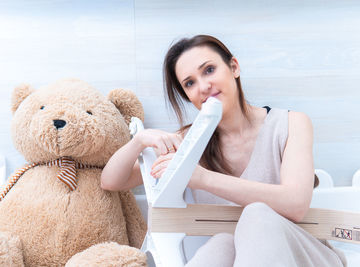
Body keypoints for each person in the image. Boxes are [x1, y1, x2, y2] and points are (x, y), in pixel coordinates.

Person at [101, 35, 345, 267]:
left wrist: (203, 178)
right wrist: (139, 141)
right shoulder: (189, 143)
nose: (204, 86)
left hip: (305, 255)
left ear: (234, 68)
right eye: (190, 83)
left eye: (209, 70)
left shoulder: (291, 123)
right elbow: (111, 181)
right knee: (222, 243)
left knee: (257, 216)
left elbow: (295, 204)